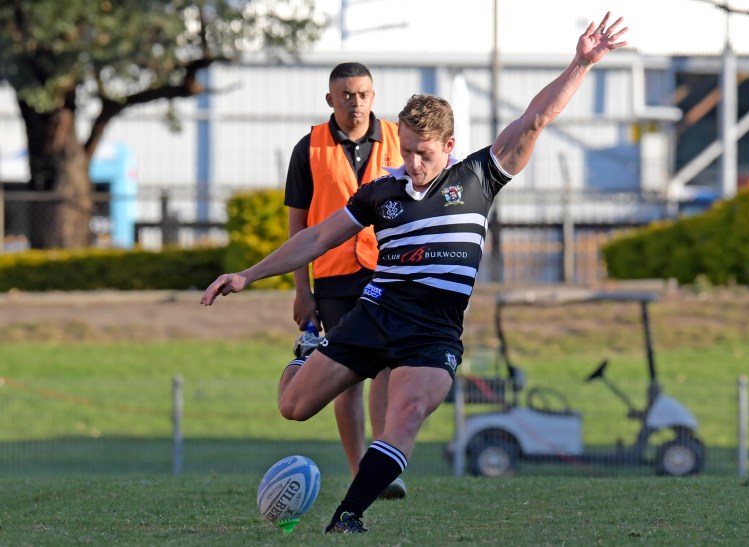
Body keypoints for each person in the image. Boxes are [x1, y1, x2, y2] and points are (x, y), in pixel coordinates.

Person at [201, 12, 627, 534]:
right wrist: (248, 275)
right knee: (293, 407)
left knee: (406, 417)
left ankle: (347, 518)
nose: (412, 163)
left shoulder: (478, 177)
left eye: (423, 154)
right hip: (376, 314)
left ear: (449, 146)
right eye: (405, 150)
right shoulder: (382, 191)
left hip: (433, 332)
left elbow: (534, 119)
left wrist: (580, 63)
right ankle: (309, 350)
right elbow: (314, 238)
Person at [283, 62, 406, 499]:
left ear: (374, 96)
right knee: (346, 377)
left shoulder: (398, 139)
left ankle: (382, 465)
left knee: (390, 366)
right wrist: (302, 290)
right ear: (330, 99)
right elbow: (298, 229)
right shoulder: (309, 148)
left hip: (389, 270)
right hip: (334, 278)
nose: (355, 103)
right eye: (346, 95)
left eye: (363, 94)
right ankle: (360, 473)